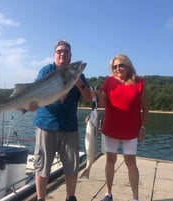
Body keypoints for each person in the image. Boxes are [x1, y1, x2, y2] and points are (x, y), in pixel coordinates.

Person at [31, 40, 92, 201]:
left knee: (71, 168)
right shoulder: (46, 70)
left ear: (70, 56)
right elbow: (34, 93)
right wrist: (30, 105)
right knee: (42, 166)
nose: (62, 53)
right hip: (45, 125)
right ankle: (40, 198)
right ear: (54, 55)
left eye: (66, 51)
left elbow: (89, 98)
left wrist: (80, 85)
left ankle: (70, 197)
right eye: (59, 51)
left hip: (69, 127)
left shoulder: (79, 74)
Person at [96, 54, 149, 201]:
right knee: (110, 160)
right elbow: (103, 104)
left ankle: (135, 198)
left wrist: (142, 128)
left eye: (121, 65)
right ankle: (108, 194)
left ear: (128, 66)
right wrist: (99, 97)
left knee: (131, 162)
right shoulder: (109, 81)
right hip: (110, 129)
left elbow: (145, 108)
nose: (117, 69)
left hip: (131, 130)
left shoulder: (139, 82)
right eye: (114, 67)